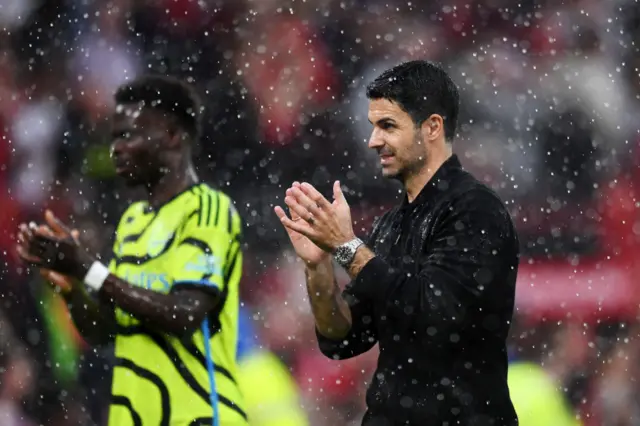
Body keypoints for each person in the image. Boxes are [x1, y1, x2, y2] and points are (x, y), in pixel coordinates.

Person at [274, 60, 519, 425]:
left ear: (432, 127)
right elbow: (343, 339)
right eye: (373, 126)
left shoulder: (476, 209)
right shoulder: (391, 225)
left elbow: (433, 312)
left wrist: (345, 246)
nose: (373, 141)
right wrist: (319, 266)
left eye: (387, 126)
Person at [16, 75, 247, 426]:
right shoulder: (132, 221)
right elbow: (106, 331)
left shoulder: (209, 210)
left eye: (128, 135)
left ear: (173, 136)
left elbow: (184, 315)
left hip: (197, 416)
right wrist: (73, 287)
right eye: (114, 138)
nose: (117, 149)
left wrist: (89, 268)